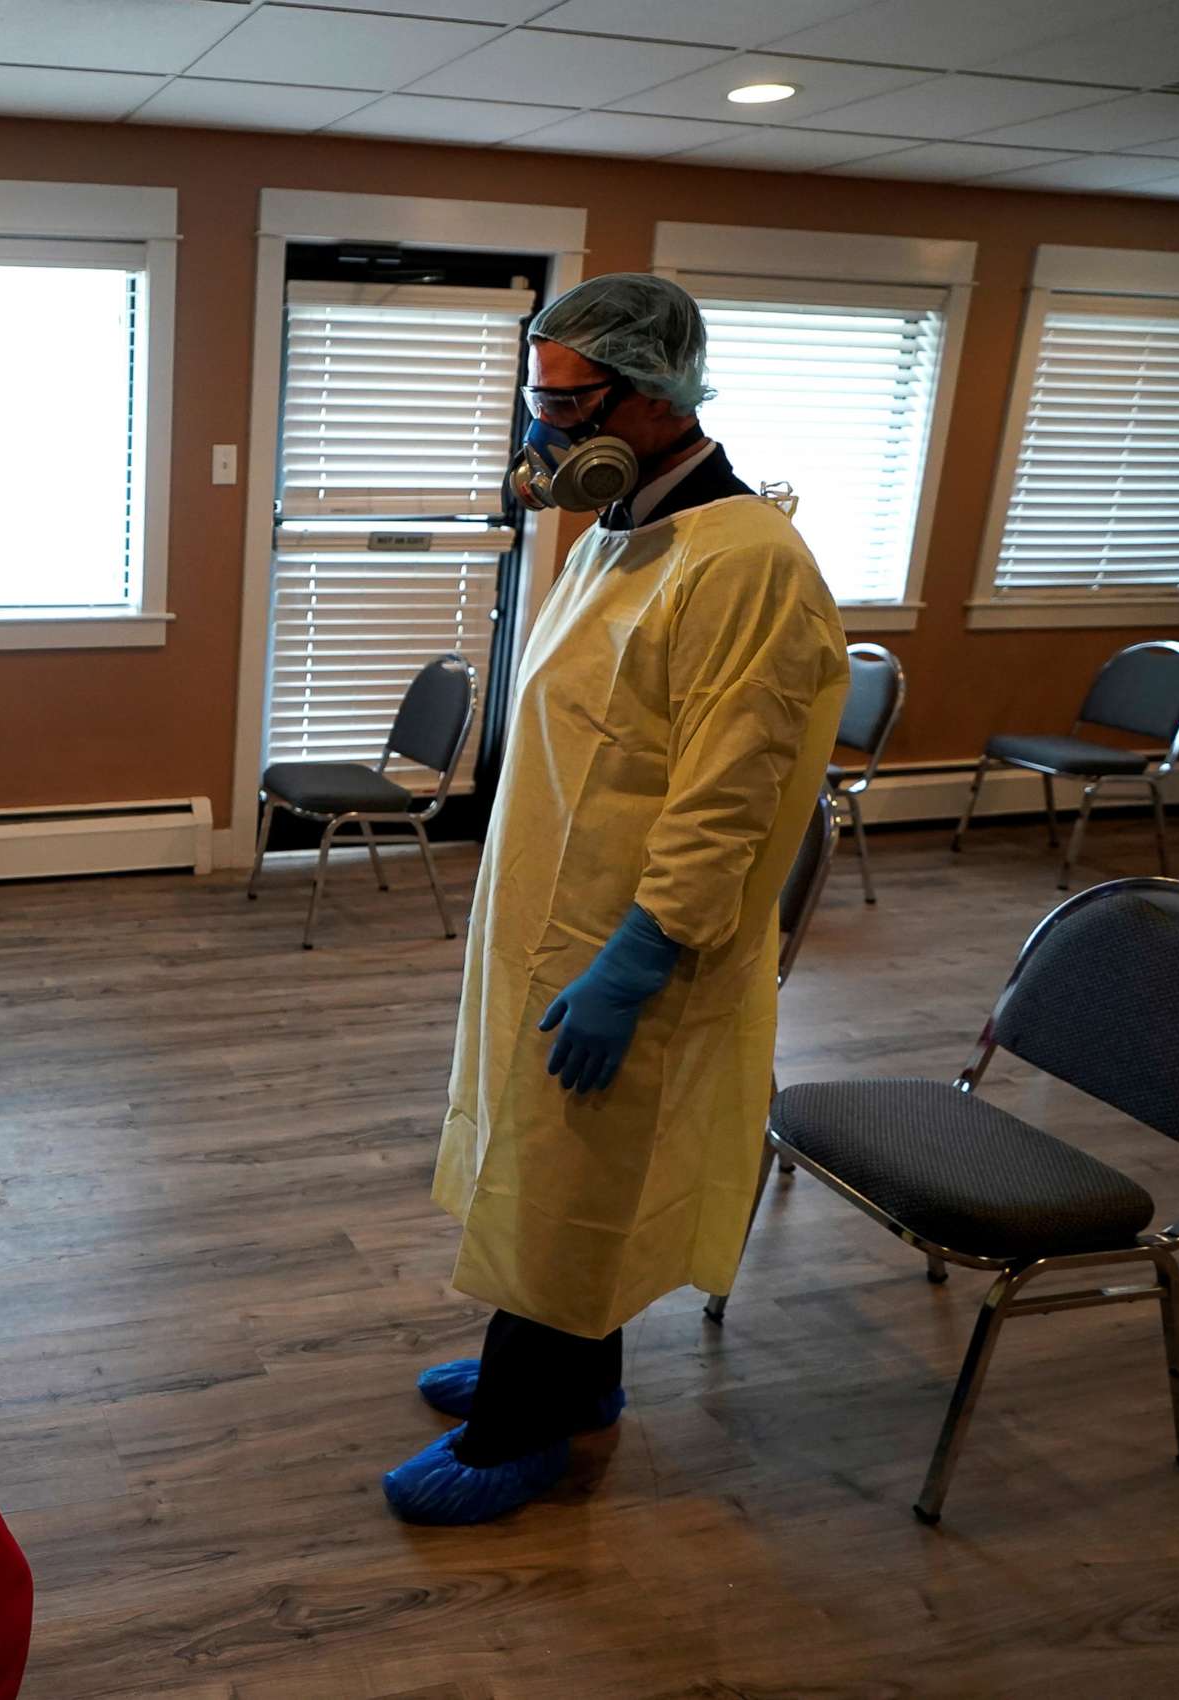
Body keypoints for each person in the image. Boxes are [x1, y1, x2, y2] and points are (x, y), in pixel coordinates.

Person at [383, 274, 850, 1524]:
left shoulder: (746, 561)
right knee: (542, 1161)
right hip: (549, 914)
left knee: (570, 1166)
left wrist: (640, 954)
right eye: (536, 398)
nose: (539, 429)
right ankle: (569, 1375)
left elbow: (729, 794)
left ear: (651, 398)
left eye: (561, 402)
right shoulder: (621, 532)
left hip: (624, 939)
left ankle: (520, 1427)